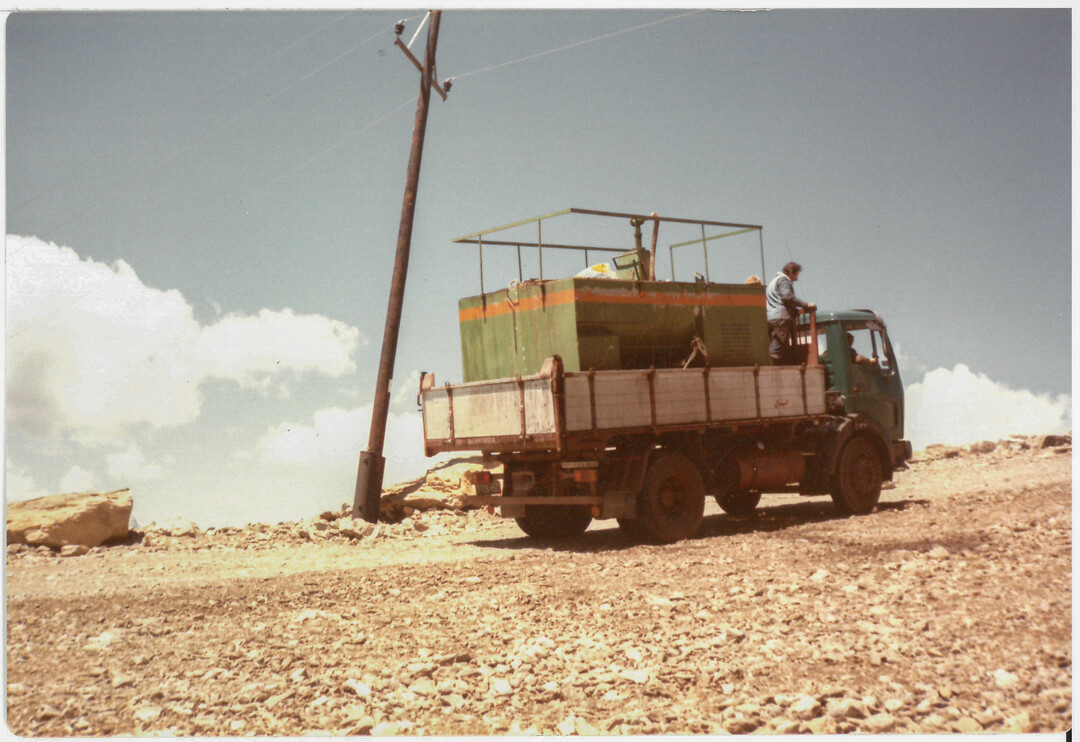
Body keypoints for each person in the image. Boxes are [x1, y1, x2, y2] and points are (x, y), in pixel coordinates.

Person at [765, 261, 816, 364]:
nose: (797, 278)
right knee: (778, 349)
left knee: (778, 344)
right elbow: (787, 297)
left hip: (771, 317)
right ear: (791, 271)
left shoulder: (773, 281)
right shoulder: (784, 280)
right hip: (781, 317)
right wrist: (805, 305)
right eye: (796, 274)